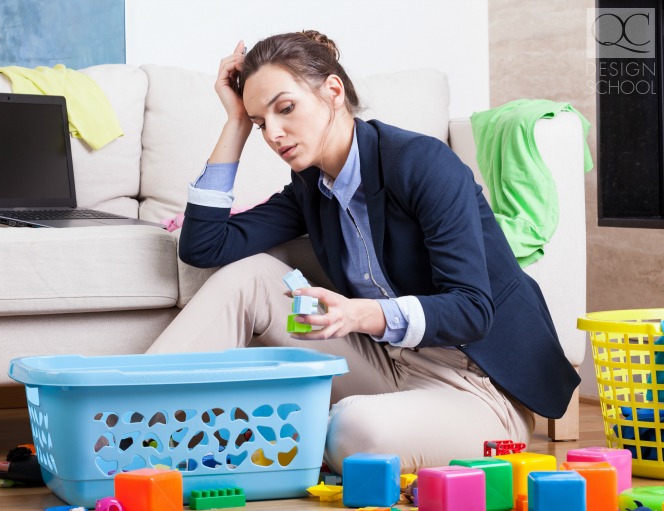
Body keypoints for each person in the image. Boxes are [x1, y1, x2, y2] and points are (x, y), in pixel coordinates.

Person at [146, 30, 579, 473]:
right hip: (387, 364)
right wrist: (236, 124)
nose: (273, 133)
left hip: (477, 385)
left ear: (333, 91)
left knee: (354, 430)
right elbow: (204, 246)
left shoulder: (421, 162)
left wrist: (357, 315)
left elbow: (471, 309)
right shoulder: (311, 186)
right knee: (249, 277)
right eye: (261, 122)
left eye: (286, 108)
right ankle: (131, 423)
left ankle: (237, 436)